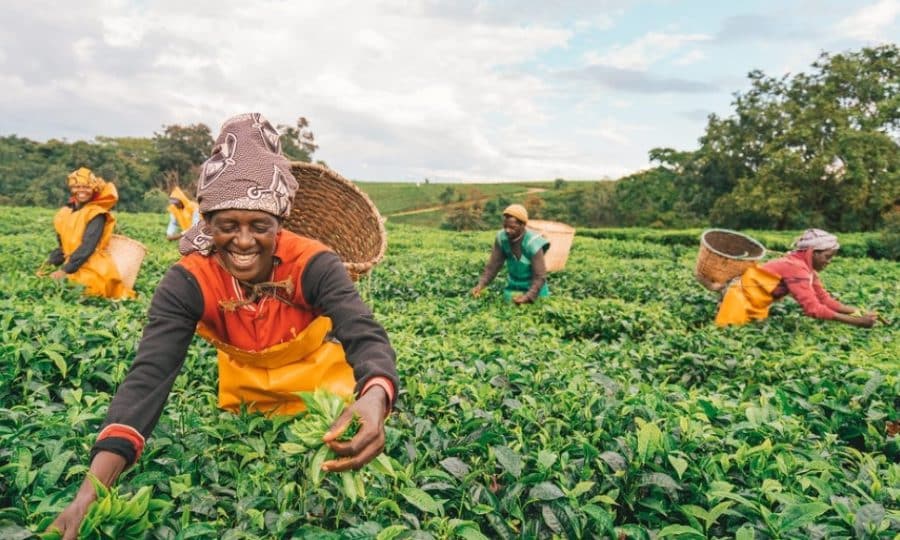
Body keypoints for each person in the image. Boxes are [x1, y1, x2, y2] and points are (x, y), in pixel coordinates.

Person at [49, 113, 399, 538]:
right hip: (243, 403)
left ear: (280, 225)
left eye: (260, 226)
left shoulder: (314, 263)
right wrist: (90, 491)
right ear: (208, 224)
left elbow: (362, 331)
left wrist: (375, 396)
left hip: (324, 397)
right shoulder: (188, 282)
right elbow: (149, 376)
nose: (244, 241)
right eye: (228, 226)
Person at [715, 228, 877, 327]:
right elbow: (813, 309)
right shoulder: (796, 268)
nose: (828, 262)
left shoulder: (806, 269)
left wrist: (860, 313)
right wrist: (857, 322)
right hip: (737, 302)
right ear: (812, 253)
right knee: (732, 335)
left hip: (753, 305)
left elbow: (825, 301)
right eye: (827, 256)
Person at [45, 167, 135, 299]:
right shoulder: (64, 213)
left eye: (86, 187)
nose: (82, 191)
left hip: (92, 267)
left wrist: (64, 270)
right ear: (72, 189)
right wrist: (50, 263)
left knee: (81, 292)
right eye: (77, 187)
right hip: (72, 263)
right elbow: (63, 246)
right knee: (47, 284)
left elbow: (87, 247)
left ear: (94, 189)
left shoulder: (97, 214)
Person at [471, 204, 549, 304]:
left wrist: (528, 297)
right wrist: (481, 285)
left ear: (523, 225)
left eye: (512, 227)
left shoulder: (532, 242)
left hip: (536, 292)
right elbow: (493, 266)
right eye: (505, 226)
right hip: (514, 287)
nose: (507, 230)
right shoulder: (502, 238)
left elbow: (540, 276)